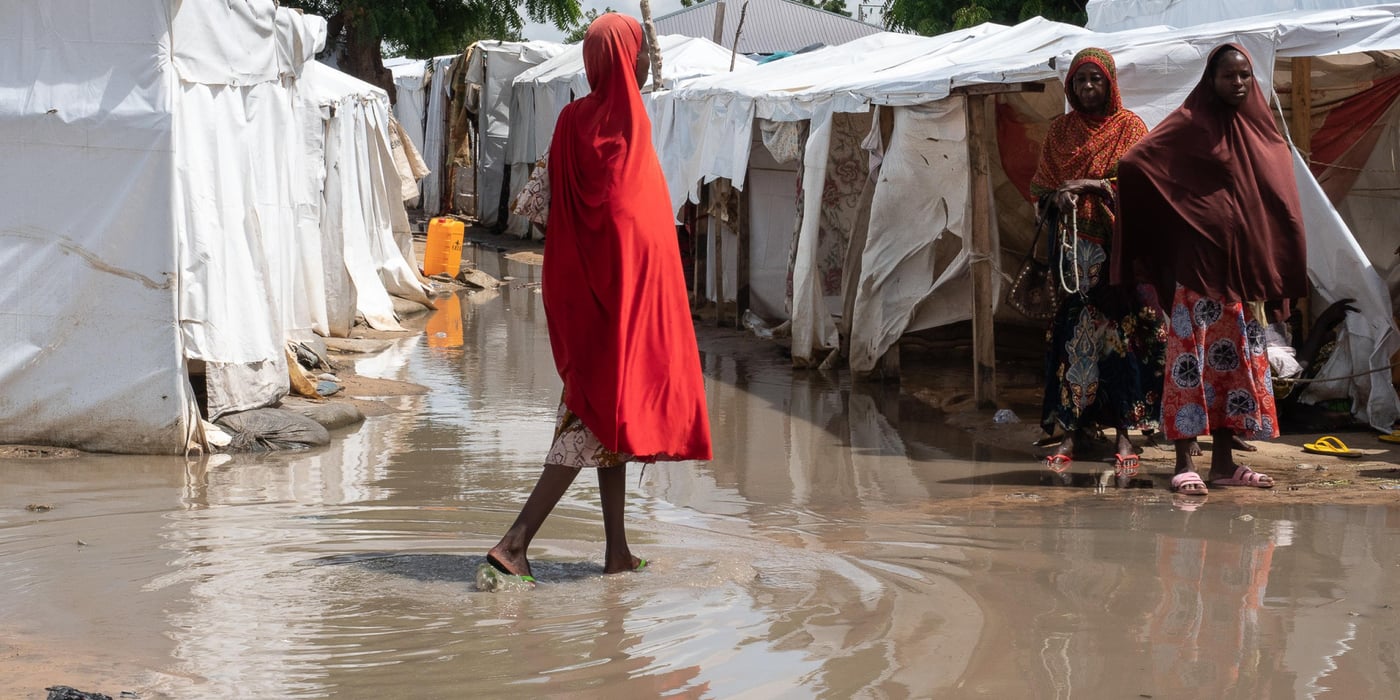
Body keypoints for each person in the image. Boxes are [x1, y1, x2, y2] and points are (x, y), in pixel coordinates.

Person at [483, 13, 712, 585]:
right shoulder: (630, 129)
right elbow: (638, 223)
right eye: (637, 52)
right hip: (623, 315)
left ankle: (617, 553)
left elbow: (533, 206)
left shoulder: (568, 124)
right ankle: (515, 543)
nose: (641, 62)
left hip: (589, 300)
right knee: (589, 419)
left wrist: (586, 242)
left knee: (608, 424)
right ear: (620, 60)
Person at [1116, 44, 1308, 497]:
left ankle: (1224, 463)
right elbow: (1135, 162)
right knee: (1190, 364)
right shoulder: (1190, 123)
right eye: (1228, 76)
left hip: (1239, 277)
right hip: (1198, 271)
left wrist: (1274, 263)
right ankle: (1184, 462)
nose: (1238, 83)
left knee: (1234, 369)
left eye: (1244, 75)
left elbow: (1279, 198)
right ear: (1211, 79)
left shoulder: (1259, 128)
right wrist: (1188, 216)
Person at [1031, 48, 1167, 486]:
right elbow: (1042, 188)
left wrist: (1089, 184)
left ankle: (1126, 435)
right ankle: (1069, 432)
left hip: (1118, 254)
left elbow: (1143, 182)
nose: (1088, 88)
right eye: (1080, 81)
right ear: (1070, 87)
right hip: (1072, 256)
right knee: (1075, 341)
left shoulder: (1129, 128)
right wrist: (1058, 197)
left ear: (1110, 84)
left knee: (1121, 338)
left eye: (1096, 80)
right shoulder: (1060, 132)